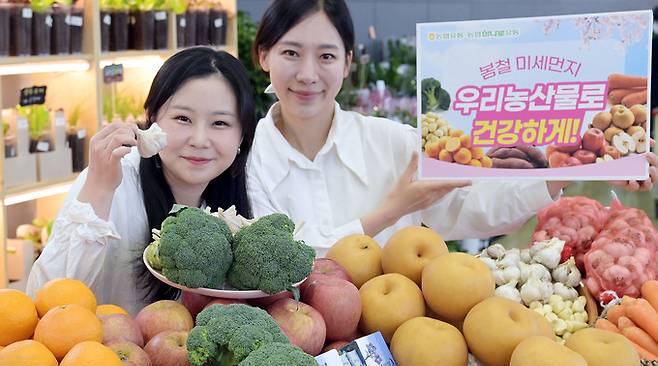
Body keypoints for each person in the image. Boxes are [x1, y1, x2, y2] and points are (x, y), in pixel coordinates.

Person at [247, 0, 658, 256]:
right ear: (263, 55)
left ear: (348, 63)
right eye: (290, 53)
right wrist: (395, 208)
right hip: (290, 345)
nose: (307, 73)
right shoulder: (248, 160)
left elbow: (471, 210)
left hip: (400, 346)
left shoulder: (392, 142)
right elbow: (282, 258)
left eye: (326, 56)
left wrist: (571, 172)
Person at [26, 47, 256, 314]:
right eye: (183, 118)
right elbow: (46, 300)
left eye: (220, 123)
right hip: (98, 352)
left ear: (241, 135)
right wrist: (99, 188)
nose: (199, 140)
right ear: (153, 119)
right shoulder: (115, 179)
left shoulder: (238, 195)